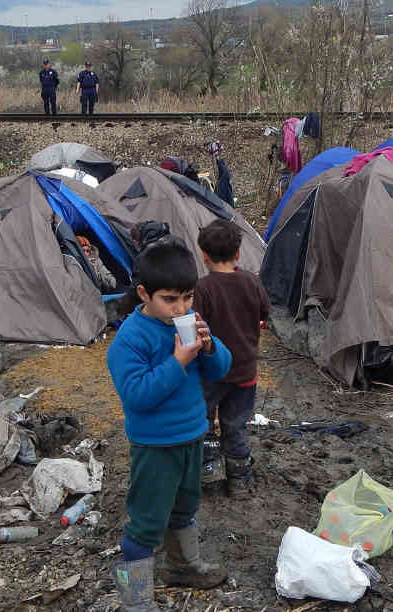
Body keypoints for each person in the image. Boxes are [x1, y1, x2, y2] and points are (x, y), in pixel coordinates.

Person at [106, 240, 232, 611]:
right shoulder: (129, 340)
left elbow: (221, 369)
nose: (181, 308)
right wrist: (177, 361)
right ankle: (135, 600)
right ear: (144, 293)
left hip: (193, 434)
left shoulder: (190, 322)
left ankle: (183, 566)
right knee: (145, 523)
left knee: (184, 507)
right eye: (170, 299)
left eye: (188, 297)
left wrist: (209, 349)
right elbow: (138, 396)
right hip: (156, 445)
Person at [193, 220, 270, 494]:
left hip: (212, 372)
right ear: (238, 253)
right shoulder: (251, 281)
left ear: (203, 255)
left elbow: (196, 329)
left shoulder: (203, 288)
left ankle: (208, 472)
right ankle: (239, 480)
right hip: (245, 371)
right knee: (235, 424)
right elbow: (264, 314)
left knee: (202, 420)